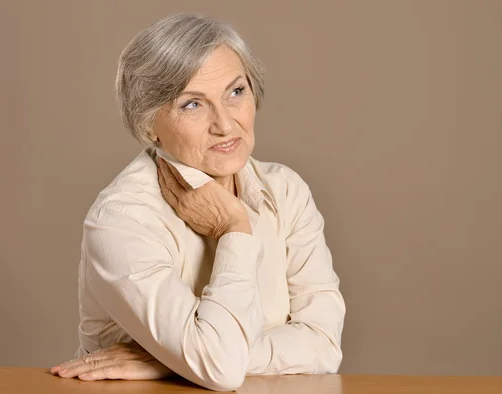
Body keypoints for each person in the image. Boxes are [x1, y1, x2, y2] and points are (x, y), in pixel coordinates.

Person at [49, 13, 345, 392]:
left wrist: (169, 361)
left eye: (236, 92)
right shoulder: (121, 219)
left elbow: (325, 345)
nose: (225, 124)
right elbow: (220, 369)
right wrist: (233, 229)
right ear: (148, 124)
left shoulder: (286, 191)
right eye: (193, 104)